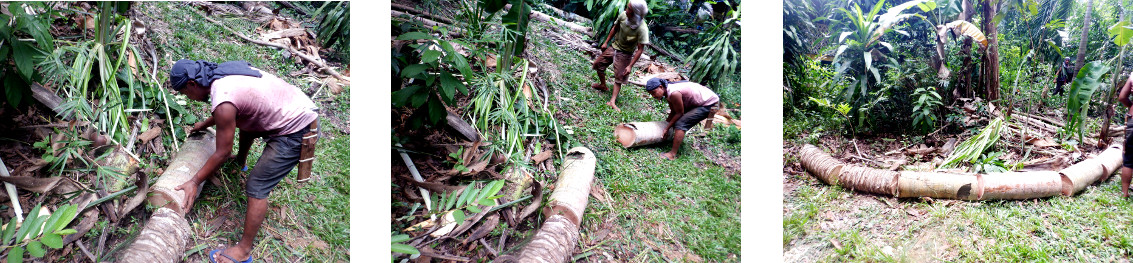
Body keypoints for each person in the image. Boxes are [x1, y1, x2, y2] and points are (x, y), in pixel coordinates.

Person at [168, 59, 319, 263]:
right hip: (296, 106)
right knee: (246, 121)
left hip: (298, 130)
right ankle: (240, 162)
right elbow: (231, 110)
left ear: (192, 84)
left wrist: (194, 182)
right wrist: (204, 124)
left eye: (186, 94)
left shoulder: (223, 100)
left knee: (257, 186)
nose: (190, 98)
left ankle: (243, 251)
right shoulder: (221, 73)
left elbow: (222, 151)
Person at [591, 0, 650, 111]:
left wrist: (630, 66)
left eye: (629, 10)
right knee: (598, 64)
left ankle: (612, 101)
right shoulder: (623, 15)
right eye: (627, 8)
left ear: (636, 14)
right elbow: (615, 28)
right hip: (614, 46)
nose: (626, 11)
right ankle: (603, 85)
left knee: (619, 77)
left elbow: (640, 49)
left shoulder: (642, 29)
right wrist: (606, 42)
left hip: (626, 53)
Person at [644, 78, 719, 160]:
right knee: (676, 120)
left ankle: (672, 154)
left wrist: (667, 128)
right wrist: (665, 126)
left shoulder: (674, 93)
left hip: (710, 104)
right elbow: (673, 111)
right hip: (700, 101)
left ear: (661, 87)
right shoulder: (668, 92)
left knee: (681, 123)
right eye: (651, 94)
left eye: (654, 93)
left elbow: (679, 113)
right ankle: (669, 139)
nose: (653, 96)